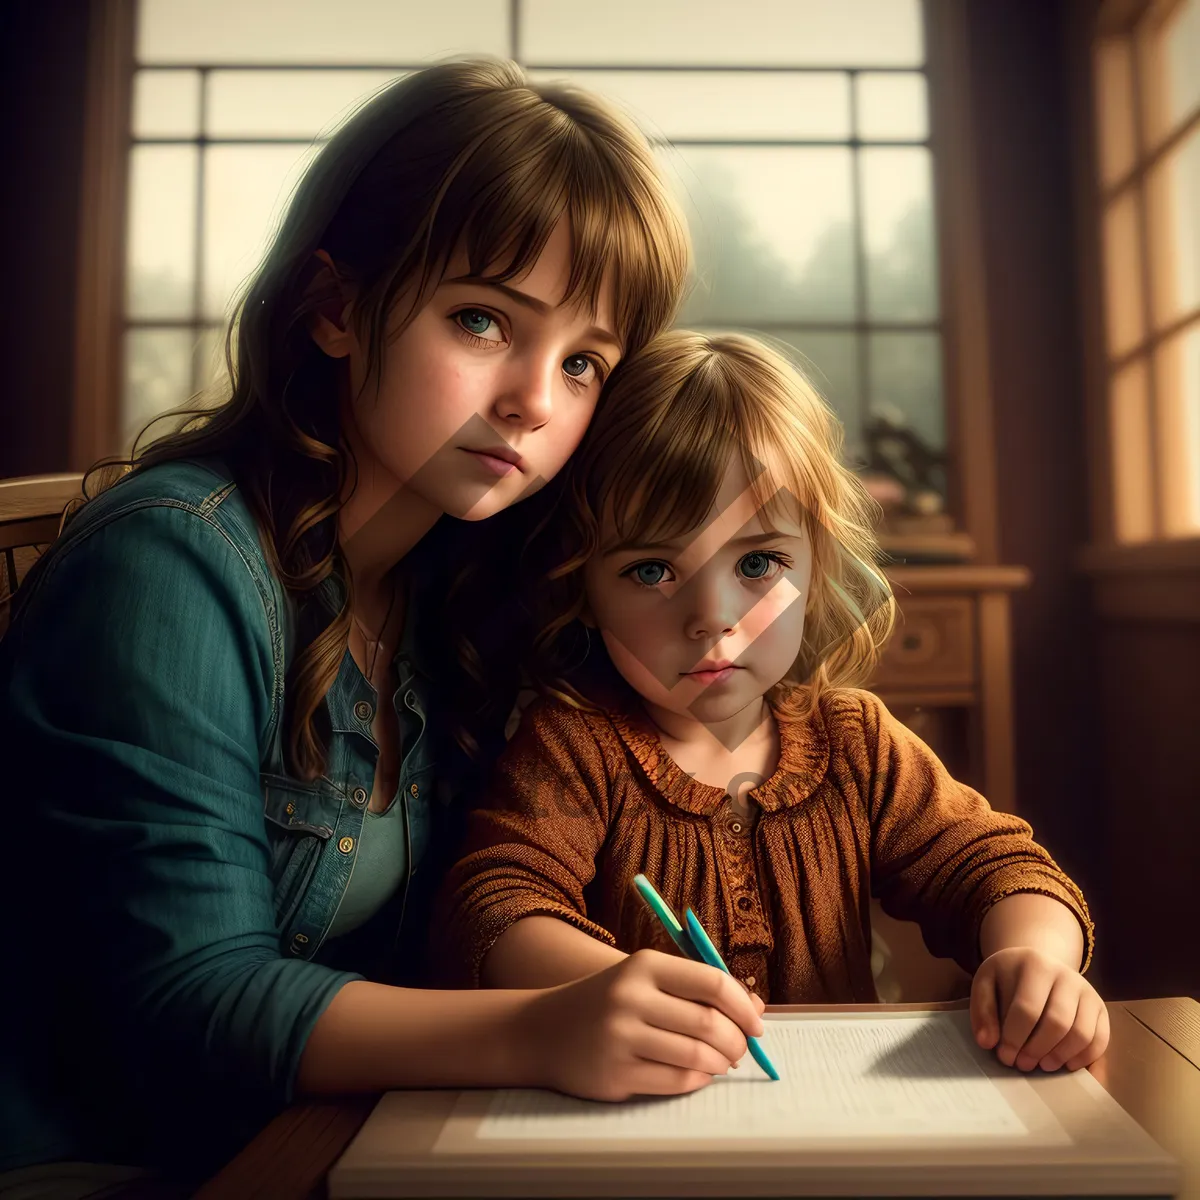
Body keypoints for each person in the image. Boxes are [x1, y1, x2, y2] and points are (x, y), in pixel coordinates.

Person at [0, 61, 768, 1194]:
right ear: (335, 307)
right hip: (114, 1158)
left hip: (347, 1136)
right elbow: (189, 998)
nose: (534, 402)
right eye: (482, 320)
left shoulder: (455, 586)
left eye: (583, 361)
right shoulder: (170, 563)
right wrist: (540, 1029)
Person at [439, 329, 1109, 1085]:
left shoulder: (857, 745)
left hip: (838, 1128)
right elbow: (495, 905)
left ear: (816, 563)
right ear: (582, 588)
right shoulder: (573, 748)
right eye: (653, 569)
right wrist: (606, 988)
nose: (713, 616)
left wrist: (1037, 960)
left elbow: (996, 866)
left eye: (758, 562)